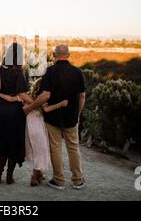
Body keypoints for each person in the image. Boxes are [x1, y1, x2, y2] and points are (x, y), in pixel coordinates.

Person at [23, 44, 86, 190]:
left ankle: (59, 180)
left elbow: (45, 95)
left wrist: (29, 108)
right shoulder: (77, 72)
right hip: (71, 117)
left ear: (54, 55)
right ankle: (78, 180)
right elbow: (82, 96)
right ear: (68, 55)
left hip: (53, 118)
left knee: (55, 148)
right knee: (73, 148)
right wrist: (77, 113)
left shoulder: (50, 72)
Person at [0, 77, 68, 186]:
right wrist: (61, 104)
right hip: (38, 126)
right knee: (40, 150)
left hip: (29, 125)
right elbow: (46, 109)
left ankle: (38, 174)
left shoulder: (27, 97)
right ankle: (34, 177)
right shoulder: (42, 99)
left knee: (36, 149)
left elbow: (12, 99)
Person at [0, 43, 31, 184]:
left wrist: (2, 96)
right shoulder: (18, 72)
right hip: (15, 113)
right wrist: (35, 103)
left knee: (2, 142)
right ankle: (9, 176)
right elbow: (22, 94)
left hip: (1, 112)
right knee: (14, 143)